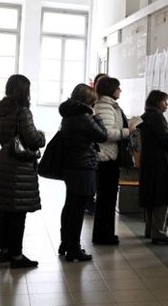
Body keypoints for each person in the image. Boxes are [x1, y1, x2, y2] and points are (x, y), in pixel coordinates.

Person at [0, 74, 46, 269]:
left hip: (5, 160)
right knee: (18, 213)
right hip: (19, 167)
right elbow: (32, 139)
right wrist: (42, 136)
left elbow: (2, 137)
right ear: (24, 90)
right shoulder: (23, 112)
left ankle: (4, 253)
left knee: (6, 210)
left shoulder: (4, 109)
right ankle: (16, 255)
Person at [58, 84, 108, 261]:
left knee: (70, 206)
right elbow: (102, 135)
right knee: (78, 209)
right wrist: (96, 117)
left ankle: (65, 243)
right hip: (83, 166)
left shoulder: (68, 115)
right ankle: (74, 248)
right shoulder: (84, 116)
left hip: (71, 165)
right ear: (88, 101)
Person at [92, 77, 137, 245]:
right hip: (106, 158)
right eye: (118, 87)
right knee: (105, 198)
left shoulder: (109, 105)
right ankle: (103, 235)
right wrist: (128, 131)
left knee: (109, 198)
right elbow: (107, 133)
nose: (120, 90)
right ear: (111, 89)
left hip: (111, 157)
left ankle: (107, 233)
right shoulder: (104, 106)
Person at [139, 90, 168, 244]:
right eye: (164, 101)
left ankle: (151, 230)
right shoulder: (156, 116)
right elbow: (165, 142)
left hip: (150, 162)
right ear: (157, 101)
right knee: (161, 197)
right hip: (160, 163)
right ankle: (160, 233)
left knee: (152, 197)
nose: (167, 105)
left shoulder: (147, 115)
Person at [85, 73, 108, 215]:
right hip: (92, 150)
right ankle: (89, 201)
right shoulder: (92, 105)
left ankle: (91, 201)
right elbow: (102, 133)